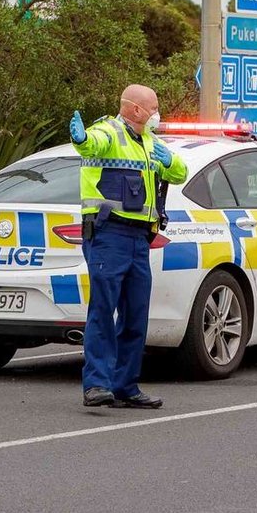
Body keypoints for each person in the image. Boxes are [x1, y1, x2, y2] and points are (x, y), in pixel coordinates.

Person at [69, 85, 187, 409]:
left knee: (136, 314)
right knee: (104, 310)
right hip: (109, 234)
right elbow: (90, 144)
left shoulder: (150, 143)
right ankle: (96, 385)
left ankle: (125, 385)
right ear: (135, 110)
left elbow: (180, 172)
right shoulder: (108, 131)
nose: (156, 114)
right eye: (153, 107)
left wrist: (171, 160)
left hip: (138, 239)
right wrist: (80, 139)